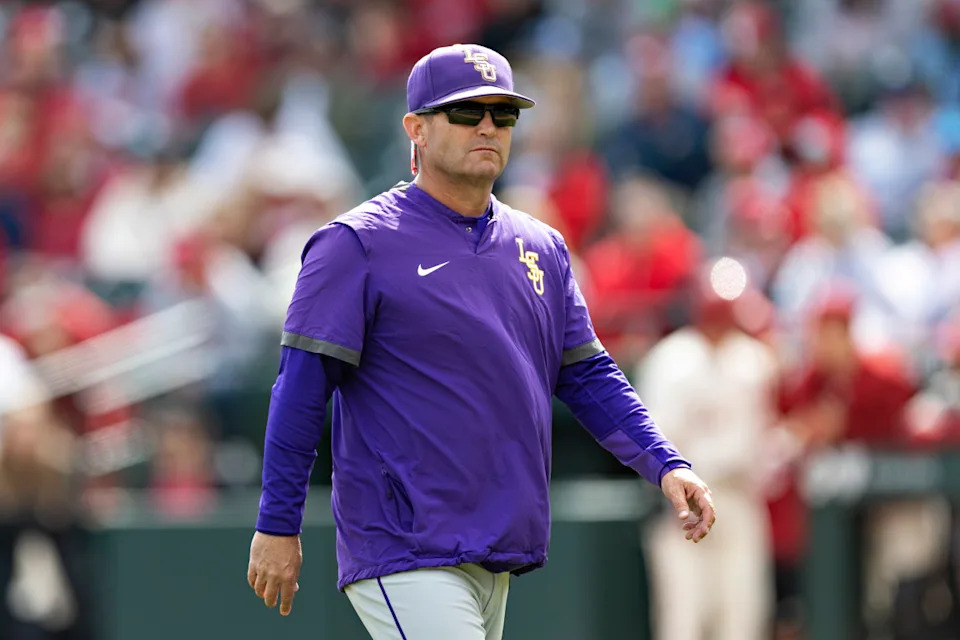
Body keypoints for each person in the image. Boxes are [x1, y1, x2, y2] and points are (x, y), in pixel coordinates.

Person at [246, 43, 716, 640]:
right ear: (415, 128)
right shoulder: (355, 244)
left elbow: (589, 375)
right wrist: (277, 524)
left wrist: (664, 463)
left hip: (495, 545)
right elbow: (300, 390)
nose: (489, 126)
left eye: (504, 112)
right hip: (404, 542)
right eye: (467, 113)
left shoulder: (540, 246)